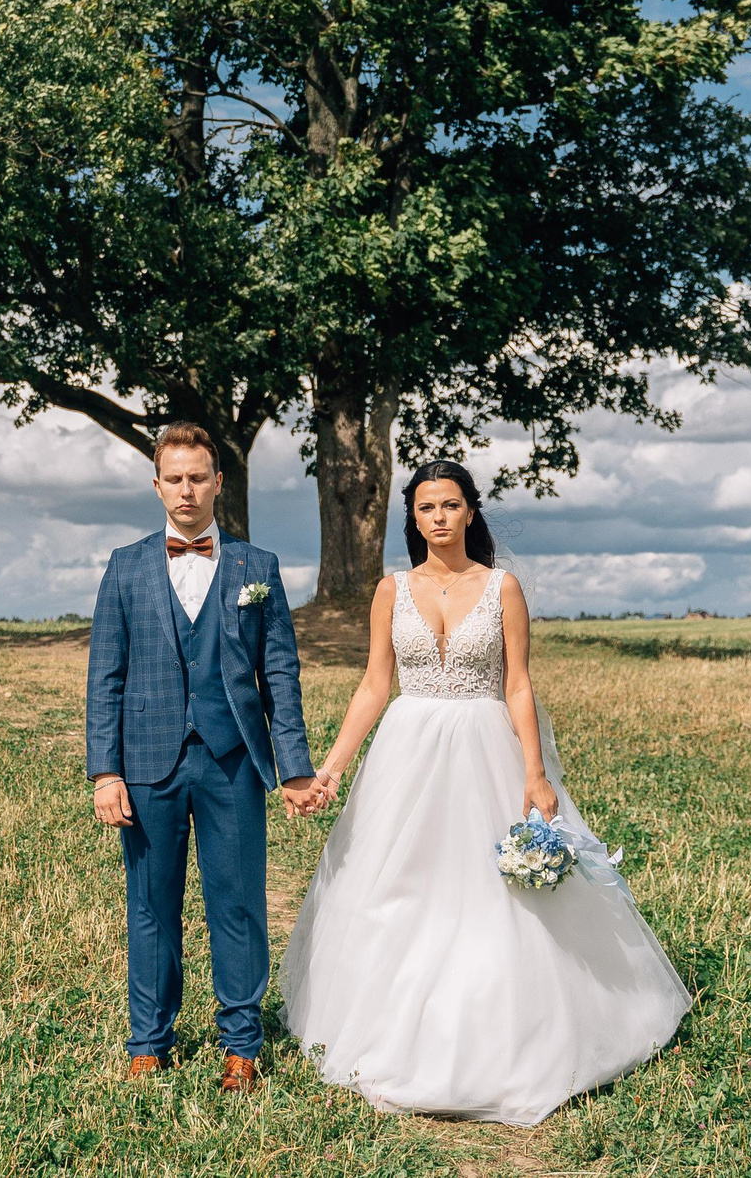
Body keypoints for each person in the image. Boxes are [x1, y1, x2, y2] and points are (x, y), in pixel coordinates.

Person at [282, 460, 692, 1124]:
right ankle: (390, 1037)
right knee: (397, 888)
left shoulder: (502, 587)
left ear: (471, 510)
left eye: (449, 504)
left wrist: (534, 772)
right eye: (425, 508)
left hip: (485, 747)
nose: (438, 517)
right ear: (412, 518)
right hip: (407, 751)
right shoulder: (392, 589)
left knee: (493, 896)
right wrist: (331, 766)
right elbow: (372, 686)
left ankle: (510, 1035)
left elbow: (519, 685)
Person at [84, 422, 321, 1094]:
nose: (186, 489)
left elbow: (280, 675)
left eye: (199, 477)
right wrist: (106, 770)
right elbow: (106, 675)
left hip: (232, 761)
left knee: (238, 904)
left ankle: (241, 1045)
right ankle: (149, 1041)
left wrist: (293, 764)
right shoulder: (125, 565)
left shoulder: (257, 568)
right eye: (174, 477)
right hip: (146, 763)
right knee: (152, 905)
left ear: (219, 483)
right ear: (156, 484)